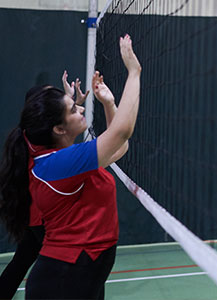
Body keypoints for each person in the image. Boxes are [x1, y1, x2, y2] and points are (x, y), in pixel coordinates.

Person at [0, 34, 140, 299]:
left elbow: (119, 148)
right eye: (74, 109)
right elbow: (121, 133)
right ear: (58, 128)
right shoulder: (58, 164)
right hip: (64, 278)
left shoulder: (67, 157)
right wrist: (133, 73)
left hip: (86, 271)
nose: (81, 109)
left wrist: (109, 103)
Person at [0, 70, 87, 299]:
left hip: (35, 213)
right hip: (43, 217)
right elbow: (62, 133)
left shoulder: (28, 135)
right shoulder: (39, 140)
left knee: (21, 261)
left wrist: (73, 103)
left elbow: (61, 129)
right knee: (68, 271)